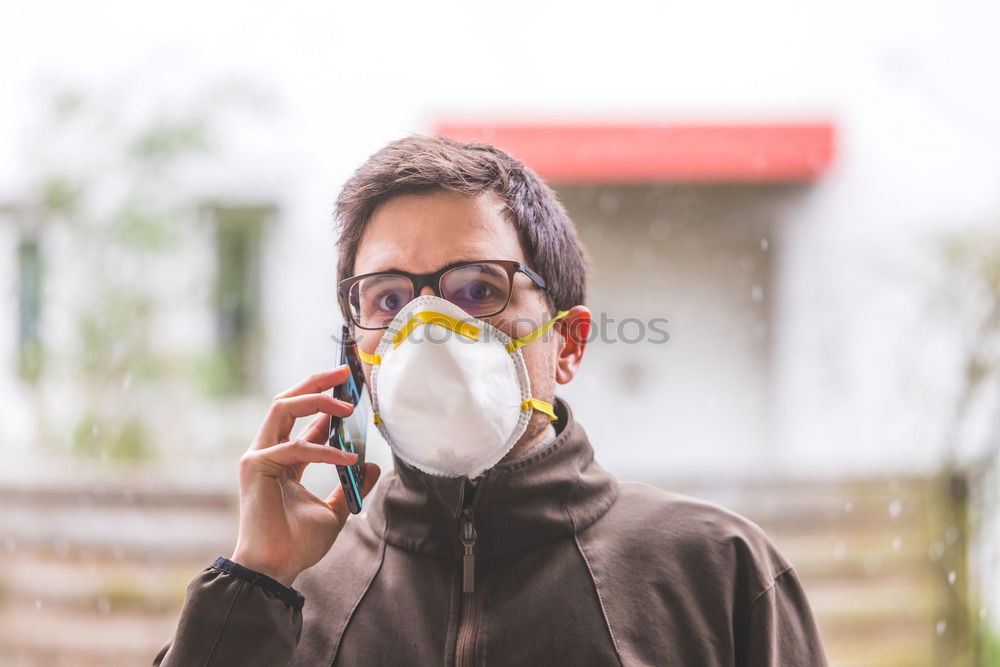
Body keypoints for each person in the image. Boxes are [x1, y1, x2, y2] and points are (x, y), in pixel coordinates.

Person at [154, 135, 828, 666]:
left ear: (566, 343)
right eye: (387, 298)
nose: (426, 327)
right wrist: (258, 576)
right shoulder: (287, 598)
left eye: (478, 289)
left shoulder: (717, 574)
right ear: (355, 349)